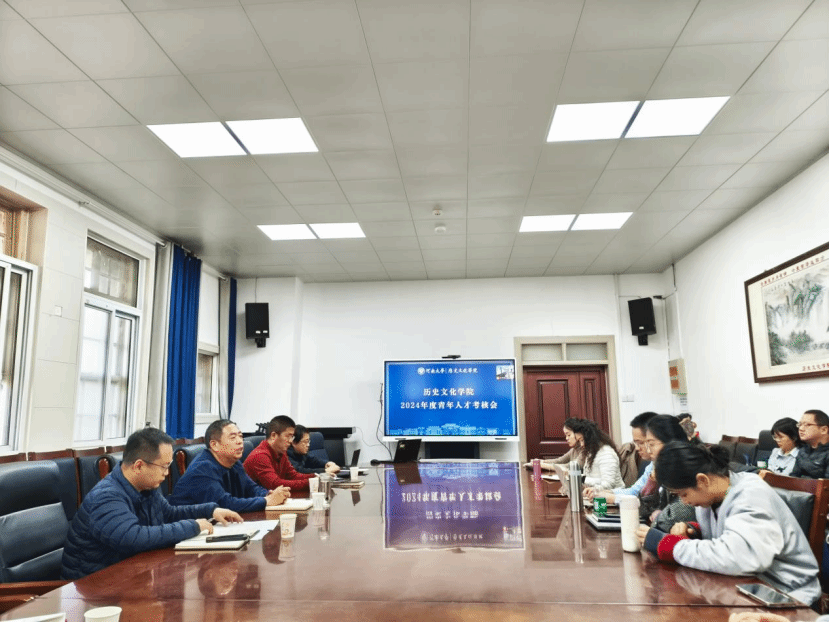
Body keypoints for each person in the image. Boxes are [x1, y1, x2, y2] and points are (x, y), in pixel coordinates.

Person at [639, 441, 821, 606]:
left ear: (702, 480)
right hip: (746, 586)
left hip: (787, 596)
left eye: (683, 494)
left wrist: (670, 546)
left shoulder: (751, 494)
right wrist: (695, 531)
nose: (684, 502)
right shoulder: (714, 497)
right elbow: (730, 535)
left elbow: (739, 557)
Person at [61, 428, 243, 580]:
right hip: (92, 588)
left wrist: (211, 510)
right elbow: (134, 538)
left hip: (129, 576)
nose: (167, 473)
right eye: (164, 466)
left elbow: (169, 514)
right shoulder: (106, 497)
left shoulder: (146, 486)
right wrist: (193, 526)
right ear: (139, 466)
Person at [169, 419, 289, 512]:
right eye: (233, 437)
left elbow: (251, 488)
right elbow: (225, 504)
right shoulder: (202, 468)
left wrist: (269, 494)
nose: (239, 441)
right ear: (214, 445)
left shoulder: (234, 462)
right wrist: (266, 501)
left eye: (240, 436)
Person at [585, 411, 656, 503]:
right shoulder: (652, 465)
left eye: (641, 443)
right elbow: (633, 491)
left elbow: (647, 502)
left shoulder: (606, 452)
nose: (637, 448)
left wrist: (612, 498)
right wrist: (604, 492)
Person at [244, 415, 313, 491]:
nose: (290, 441)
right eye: (288, 436)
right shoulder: (259, 455)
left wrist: (316, 477)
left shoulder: (281, 451)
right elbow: (275, 484)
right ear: (273, 435)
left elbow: (293, 476)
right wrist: (311, 483)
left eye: (292, 437)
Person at [555, 417, 623, 491]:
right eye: (579, 441)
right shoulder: (591, 452)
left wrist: (587, 487)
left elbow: (608, 485)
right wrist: (575, 478)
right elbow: (594, 479)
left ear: (590, 438)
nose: (581, 444)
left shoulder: (606, 453)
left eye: (582, 440)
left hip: (613, 496)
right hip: (598, 494)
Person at [792, 409, 829, 479]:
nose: (801, 429)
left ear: (824, 430)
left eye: (807, 425)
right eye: (800, 425)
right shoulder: (802, 451)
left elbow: (826, 484)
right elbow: (794, 477)